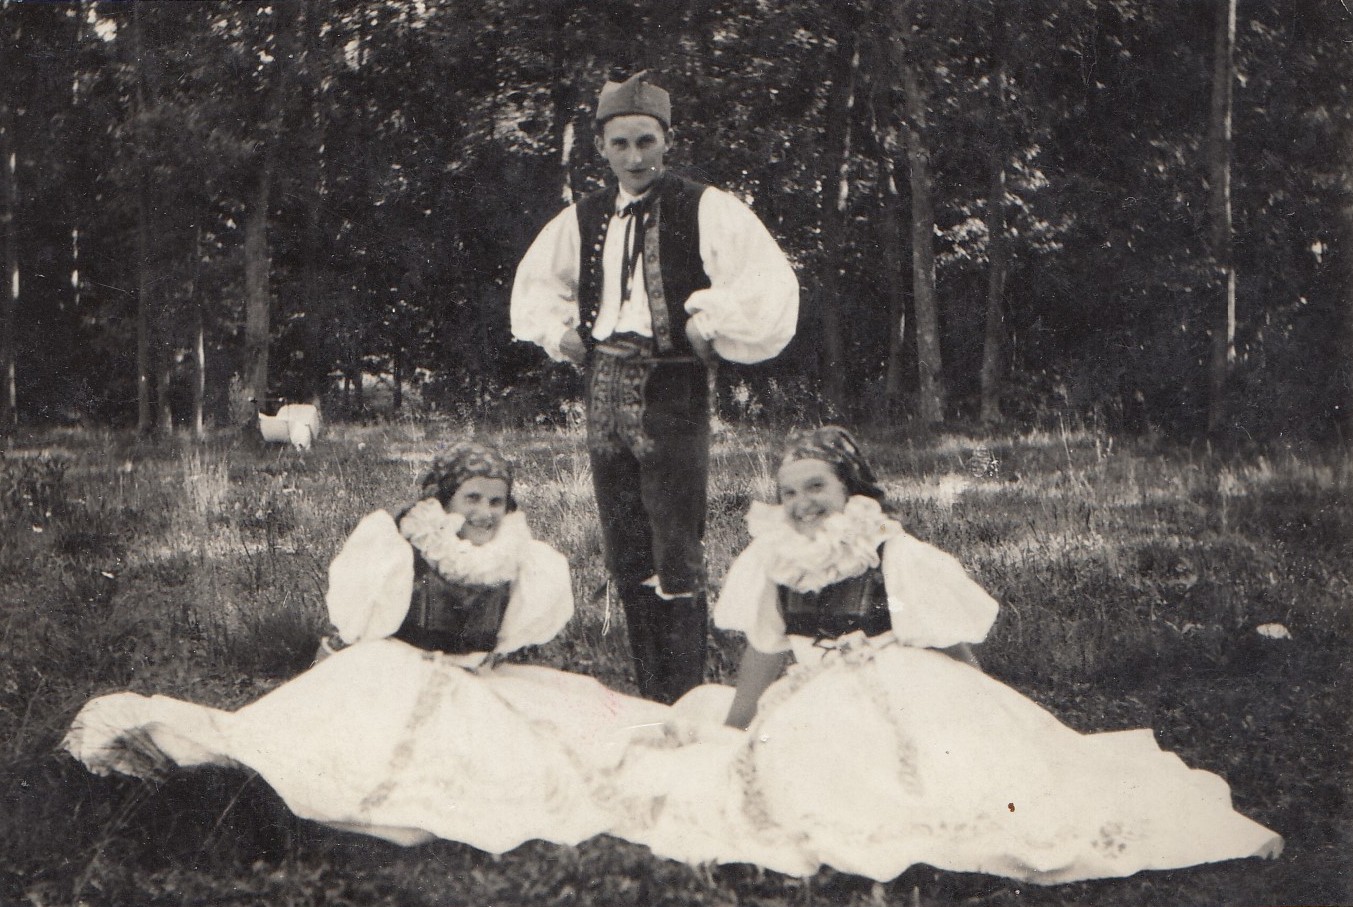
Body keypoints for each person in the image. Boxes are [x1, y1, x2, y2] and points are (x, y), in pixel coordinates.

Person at [610, 426, 1283, 884]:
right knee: (785, 767)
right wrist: (735, 728)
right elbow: (764, 650)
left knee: (955, 775)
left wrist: (990, 709)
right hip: (811, 692)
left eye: (816, 486)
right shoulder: (773, 559)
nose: (802, 504)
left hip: (900, 680)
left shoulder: (891, 552)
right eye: (788, 492)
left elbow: (947, 639)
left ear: (850, 488)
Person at [64, 441, 673, 853]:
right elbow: (363, 624)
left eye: (496, 501)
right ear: (444, 500)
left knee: (549, 760)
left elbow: (512, 633)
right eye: (472, 499)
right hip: (394, 671)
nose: (486, 513)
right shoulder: (402, 546)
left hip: (473, 684)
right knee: (343, 763)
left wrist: (486, 659)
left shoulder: (523, 560)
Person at [510, 71, 799, 705]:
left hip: (672, 384)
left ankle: (684, 695)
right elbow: (535, 287)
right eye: (621, 144)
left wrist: (706, 325)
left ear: (668, 140)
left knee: (674, 535)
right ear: (601, 147)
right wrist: (562, 335)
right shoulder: (583, 217)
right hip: (603, 383)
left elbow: (766, 280)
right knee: (624, 537)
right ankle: (649, 696)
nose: (635, 157)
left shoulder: (705, 206)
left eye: (646, 141)